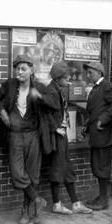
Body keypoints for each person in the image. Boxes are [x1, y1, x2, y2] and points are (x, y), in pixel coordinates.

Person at [0, 54, 55, 224]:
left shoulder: (40, 87)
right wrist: (3, 112)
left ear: (31, 70)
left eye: (23, 69)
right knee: (17, 173)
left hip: (33, 135)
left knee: (33, 174)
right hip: (14, 135)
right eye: (17, 69)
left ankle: (27, 211)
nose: (19, 72)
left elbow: (54, 103)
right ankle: (36, 199)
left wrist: (40, 97)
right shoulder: (10, 85)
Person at [44, 61, 93, 215]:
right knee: (58, 168)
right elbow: (45, 113)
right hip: (57, 136)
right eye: (66, 78)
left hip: (62, 135)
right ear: (58, 78)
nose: (68, 80)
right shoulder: (51, 91)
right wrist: (55, 128)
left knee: (66, 167)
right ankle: (57, 203)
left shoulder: (58, 89)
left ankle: (75, 203)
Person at [83, 61, 112, 210]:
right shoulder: (96, 88)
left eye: (90, 73)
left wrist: (102, 120)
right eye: (87, 73)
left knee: (102, 167)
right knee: (97, 166)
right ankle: (101, 196)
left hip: (103, 135)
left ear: (99, 73)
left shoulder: (107, 86)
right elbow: (95, 111)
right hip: (96, 135)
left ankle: (104, 200)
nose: (88, 75)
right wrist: (87, 126)